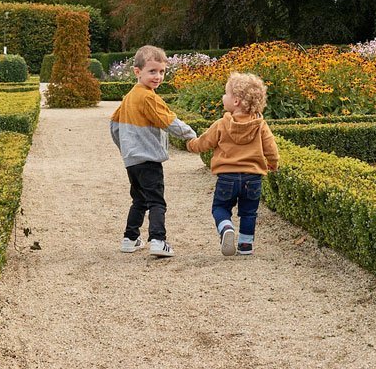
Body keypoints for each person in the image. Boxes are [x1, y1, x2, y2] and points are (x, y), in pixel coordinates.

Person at [110, 45, 196, 258]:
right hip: (148, 159)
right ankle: (158, 240)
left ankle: (129, 239)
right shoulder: (148, 96)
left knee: (139, 200)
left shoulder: (130, 96)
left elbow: (114, 125)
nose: (158, 76)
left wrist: (125, 149)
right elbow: (168, 120)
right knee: (157, 201)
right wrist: (191, 135)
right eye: (152, 71)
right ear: (137, 72)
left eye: (161, 71)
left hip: (132, 160)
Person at [186, 72, 280, 256]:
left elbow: (204, 143)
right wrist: (273, 164)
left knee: (220, 207)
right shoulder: (260, 124)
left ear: (236, 101)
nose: (223, 97)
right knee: (249, 212)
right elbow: (271, 148)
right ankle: (246, 245)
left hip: (227, 177)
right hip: (253, 178)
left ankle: (226, 227)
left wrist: (190, 144)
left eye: (226, 93)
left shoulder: (222, 124)